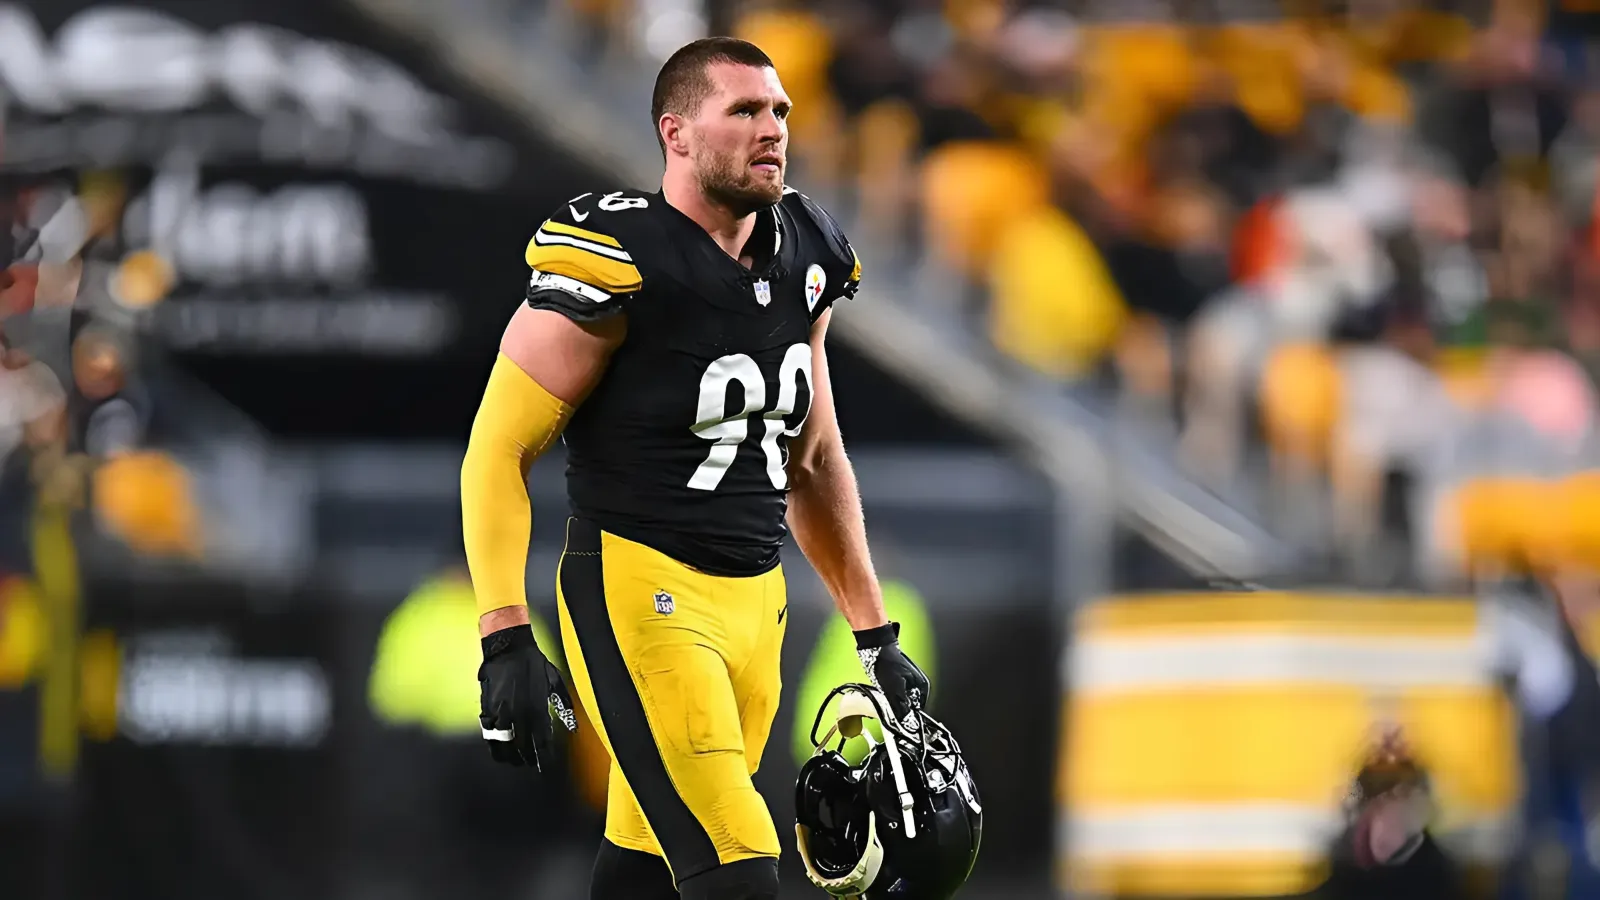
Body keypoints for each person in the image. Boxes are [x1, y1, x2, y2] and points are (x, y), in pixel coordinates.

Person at [458, 37, 930, 900]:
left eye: (780, 111)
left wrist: (873, 633)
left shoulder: (807, 252)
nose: (773, 129)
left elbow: (814, 457)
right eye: (744, 110)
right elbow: (498, 446)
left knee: (643, 865)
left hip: (758, 601)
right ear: (676, 133)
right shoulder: (620, 254)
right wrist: (503, 633)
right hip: (643, 590)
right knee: (739, 861)